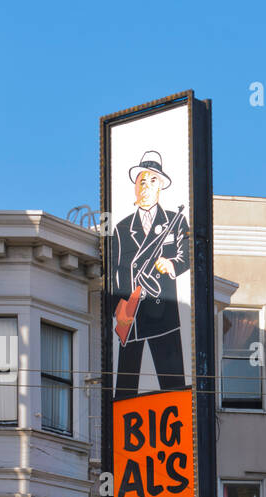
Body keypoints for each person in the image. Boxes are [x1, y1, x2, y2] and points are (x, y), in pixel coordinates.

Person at [110, 149, 190, 400]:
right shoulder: (122, 227)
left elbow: (187, 254)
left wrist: (171, 264)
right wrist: (121, 309)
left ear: (161, 186)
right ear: (135, 187)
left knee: (174, 390)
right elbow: (114, 272)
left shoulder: (175, 221)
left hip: (163, 315)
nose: (145, 186)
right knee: (123, 393)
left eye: (152, 180)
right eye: (141, 180)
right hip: (131, 318)